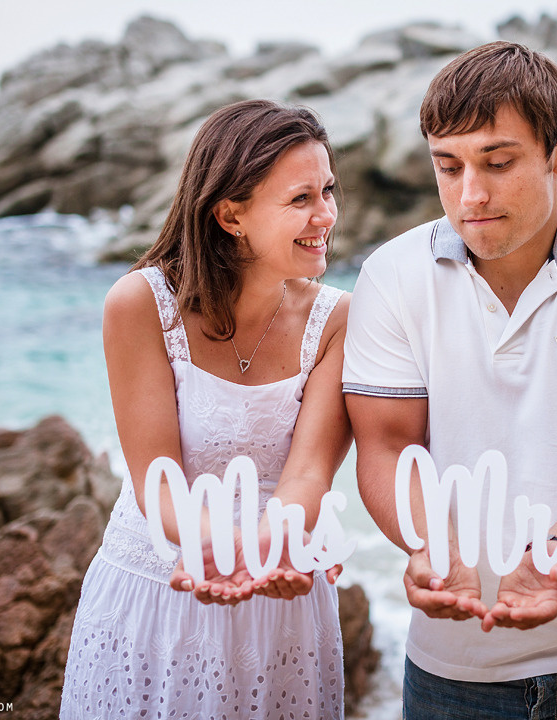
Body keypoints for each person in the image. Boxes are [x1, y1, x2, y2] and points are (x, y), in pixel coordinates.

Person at [342, 42, 557, 719]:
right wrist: (430, 546)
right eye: (449, 167)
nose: (470, 194)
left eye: (498, 163)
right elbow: (385, 450)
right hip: (451, 666)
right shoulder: (392, 276)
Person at [61, 99, 353, 720]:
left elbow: (308, 475)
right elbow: (154, 478)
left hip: (283, 596)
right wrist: (217, 549)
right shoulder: (140, 305)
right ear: (230, 215)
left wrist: (270, 546)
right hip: (158, 589)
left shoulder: (337, 320)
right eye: (301, 199)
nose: (326, 215)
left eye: (328, 191)